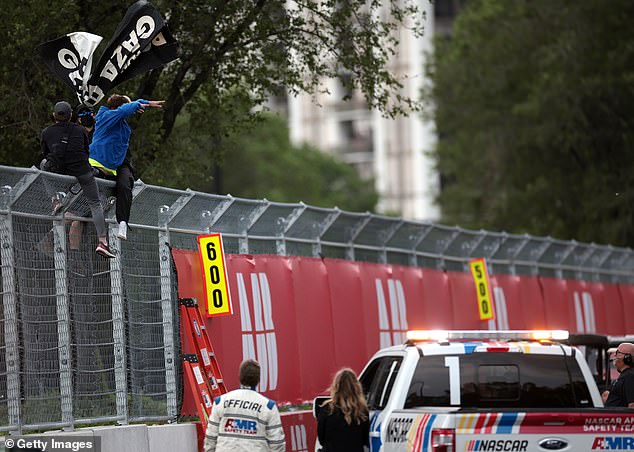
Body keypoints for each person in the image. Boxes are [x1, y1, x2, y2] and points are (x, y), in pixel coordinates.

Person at [40, 101, 115, 258]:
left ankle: (55, 199)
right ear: (72, 116)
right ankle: (103, 242)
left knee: (43, 165)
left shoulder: (47, 132)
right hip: (82, 173)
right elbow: (85, 151)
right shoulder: (80, 131)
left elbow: (46, 153)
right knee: (95, 204)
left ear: (54, 116)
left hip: (61, 174)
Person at [89, 94, 164, 241]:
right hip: (97, 163)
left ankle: (122, 222)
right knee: (96, 198)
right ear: (115, 108)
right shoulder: (105, 116)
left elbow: (125, 110)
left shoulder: (122, 124)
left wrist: (145, 102)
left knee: (126, 183)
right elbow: (124, 110)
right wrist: (137, 104)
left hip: (114, 166)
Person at [203, 359, 285, 452]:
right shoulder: (268, 406)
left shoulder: (220, 402)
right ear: (258, 379)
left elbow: (210, 438)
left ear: (239, 376)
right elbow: (277, 443)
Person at [317, 368, 369, 452]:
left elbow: (321, 439)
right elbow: (364, 439)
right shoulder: (362, 410)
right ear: (356, 387)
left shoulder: (327, 408)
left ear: (336, 386)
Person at [603, 342, 634, 408]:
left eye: (617, 353)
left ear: (627, 358)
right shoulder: (626, 375)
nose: (615, 356)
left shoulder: (630, 376)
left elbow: (632, 405)